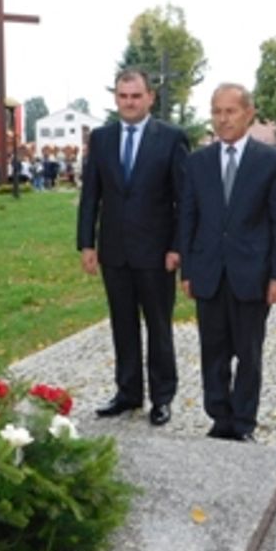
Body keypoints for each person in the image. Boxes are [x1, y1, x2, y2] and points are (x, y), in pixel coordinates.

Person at [179, 83, 276, 442]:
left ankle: (243, 422)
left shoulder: (271, 162)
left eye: (230, 111)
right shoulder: (198, 163)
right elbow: (189, 218)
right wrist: (188, 271)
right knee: (212, 350)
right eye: (216, 111)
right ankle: (219, 418)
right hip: (209, 273)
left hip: (252, 275)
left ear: (248, 114)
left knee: (248, 353)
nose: (223, 119)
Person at [77, 68, 190, 427]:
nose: (129, 102)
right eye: (123, 96)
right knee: (122, 325)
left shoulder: (171, 139)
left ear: (149, 98)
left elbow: (184, 200)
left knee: (158, 326)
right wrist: (86, 243)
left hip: (157, 254)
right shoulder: (102, 138)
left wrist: (178, 247)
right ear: (116, 98)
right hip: (114, 251)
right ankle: (127, 393)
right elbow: (91, 195)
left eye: (136, 96)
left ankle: (162, 397)